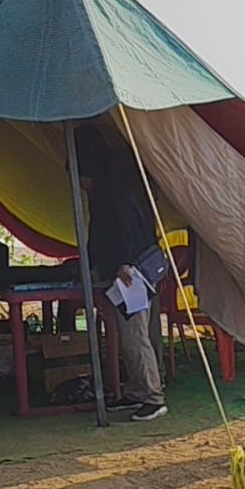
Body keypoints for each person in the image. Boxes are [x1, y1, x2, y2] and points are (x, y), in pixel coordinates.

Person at [74, 123, 167, 421]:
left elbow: (131, 227)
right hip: (130, 266)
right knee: (137, 333)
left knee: (135, 335)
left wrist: (126, 262)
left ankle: (153, 396)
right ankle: (139, 391)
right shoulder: (111, 182)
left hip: (133, 270)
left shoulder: (114, 186)